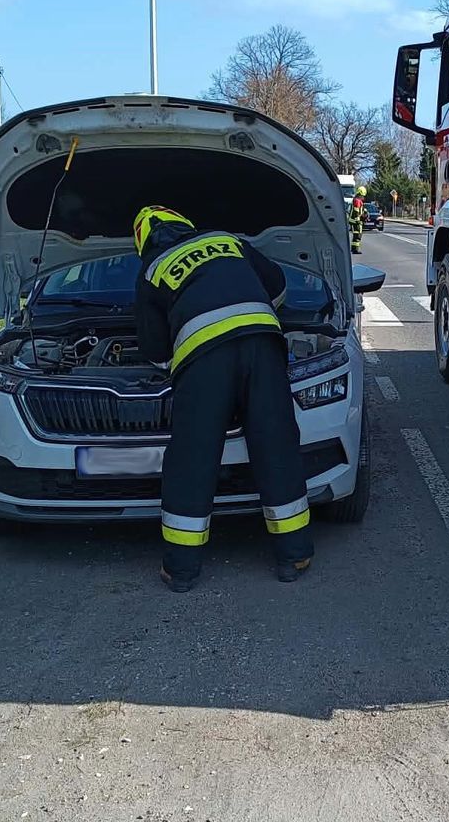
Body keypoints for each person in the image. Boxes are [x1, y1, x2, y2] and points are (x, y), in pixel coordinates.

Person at [132, 205, 314, 592]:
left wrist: (180, 360)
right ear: (186, 223)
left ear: (143, 241)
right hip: (263, 343)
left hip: (204, 357)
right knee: (276, 444)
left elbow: (154, 349)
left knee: (193, 457)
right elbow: (278, 285)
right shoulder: (226, 240)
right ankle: (294, 555)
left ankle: (180, 570)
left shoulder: (153, 269)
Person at [348, 185, 366, 254]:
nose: (363, 197)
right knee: (358, 235)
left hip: (355, 221)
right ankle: (355, 249)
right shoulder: (357, 201)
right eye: (363, 196)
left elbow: (359, 211)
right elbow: (356, 212)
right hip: (356, 221)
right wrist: (359, 220)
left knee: (356, 235)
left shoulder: (356, 200)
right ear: (361, 194)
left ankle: (353, 248)